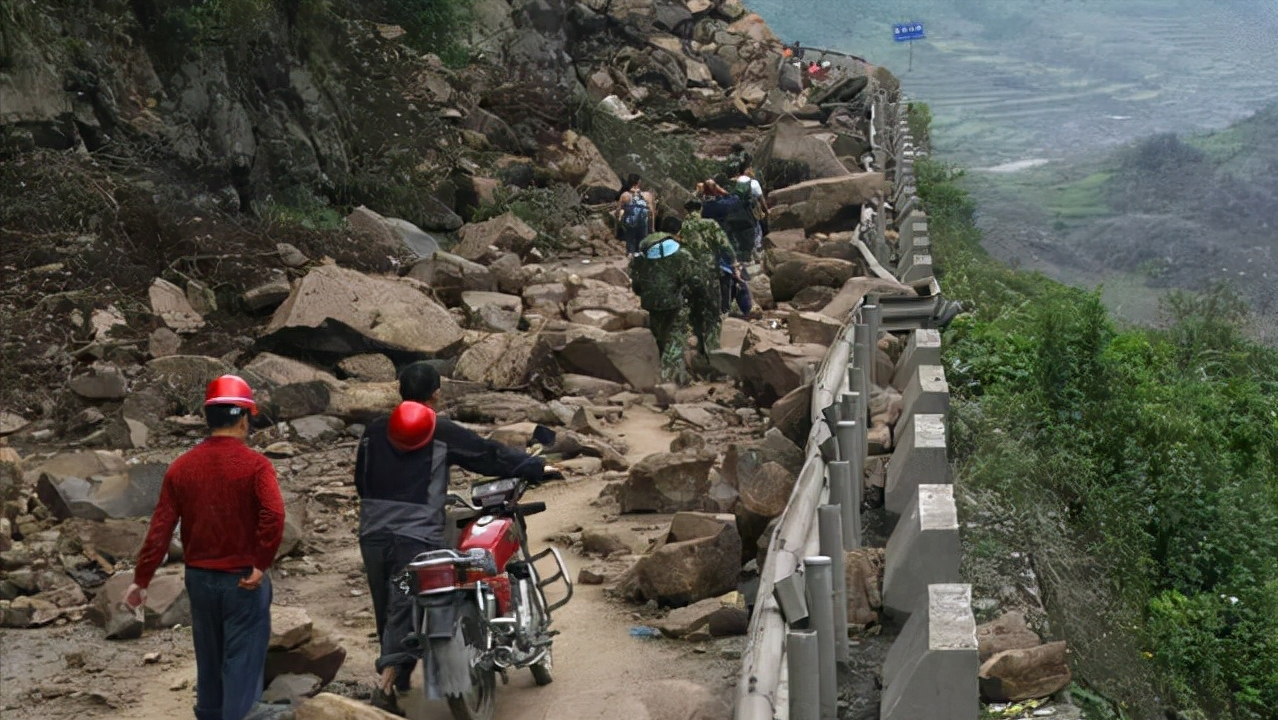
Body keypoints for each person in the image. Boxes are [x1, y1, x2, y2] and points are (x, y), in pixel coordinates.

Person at [357, 362, 548, 714]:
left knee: (389, 603)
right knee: (414, 601)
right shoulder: (439, 430)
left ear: (400, 390)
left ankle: (400, 677)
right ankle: (385, 686)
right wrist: (533, 466)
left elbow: (361, 480)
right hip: (416, 538)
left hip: (371, 532)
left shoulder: (373, 431)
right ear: (436, 394)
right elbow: (487, 455)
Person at [126, 375, 285, 720]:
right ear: (244, 418)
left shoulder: (181, 467)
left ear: (208, 418)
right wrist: (260, 562)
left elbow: (160, 530)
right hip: (243, 580)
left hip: (199, 579)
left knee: (209, 658)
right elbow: (273, 515)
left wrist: (141, 580)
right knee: (242, 663)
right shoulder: (257, 466)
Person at [616, 174, 656, 257]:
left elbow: (618, 211)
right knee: (640, 246)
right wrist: (652, 228)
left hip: (629, 223)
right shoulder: (647, 195)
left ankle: (630, 255)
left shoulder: (625, 195)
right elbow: (651, 213)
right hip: (642, 224)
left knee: (630, 245)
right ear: (638, 182)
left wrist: (619, 224)